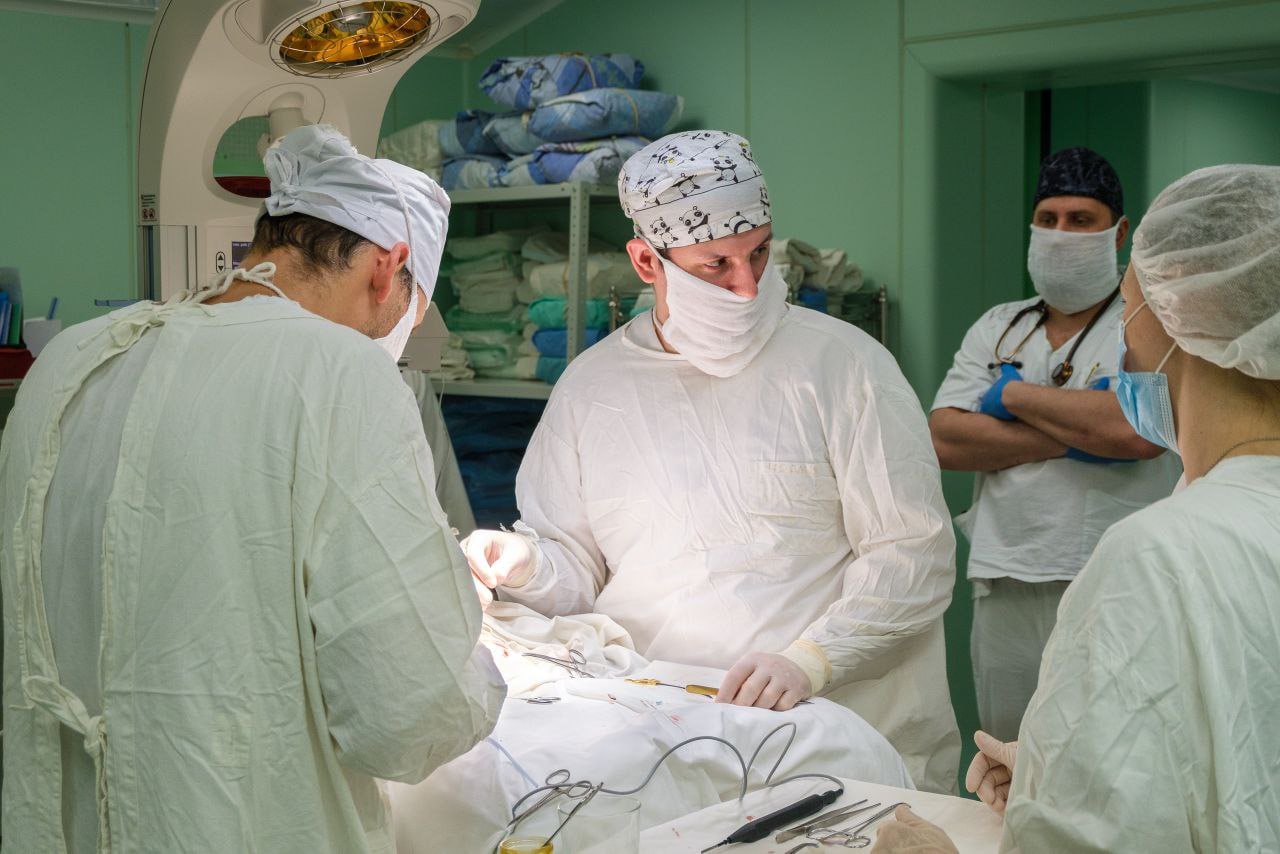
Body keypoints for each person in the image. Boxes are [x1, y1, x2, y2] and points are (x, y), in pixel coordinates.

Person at [0, 124, 505, 853]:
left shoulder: (75, 354)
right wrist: (470, 652)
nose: (400, 335)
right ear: (388, 266)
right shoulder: (340, 371)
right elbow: (408, 715)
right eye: (412, 310)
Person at [462, 130, 961, 793]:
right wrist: (527, 564)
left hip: (834, 736)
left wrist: (811, 660)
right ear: (647, 262)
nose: (747, 287)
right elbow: (580, 570)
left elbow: (913, 552)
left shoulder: (844, 366)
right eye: (716, 265)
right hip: (661, 735)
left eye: (760, 253)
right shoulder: (593, 388)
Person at [874, 164, 1280, 851]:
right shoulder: (1223, 517)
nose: (1125, 343)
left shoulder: (1160, 553)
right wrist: (1057, 775)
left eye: (1133, 314)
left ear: (1184, 323)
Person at [929, 147, 1181, 740]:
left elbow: (1136, 431)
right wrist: (1081, 430)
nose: (1060, 232)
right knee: (1009, 749)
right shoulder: (1000, 325)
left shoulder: (1147, 322)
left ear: (1119, 232)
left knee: (1112, 747)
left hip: (1113, 576)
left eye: (1081, 219)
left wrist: (1012, 396)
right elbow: (944, 438)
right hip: (1007, 572)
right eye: (1048, 219)